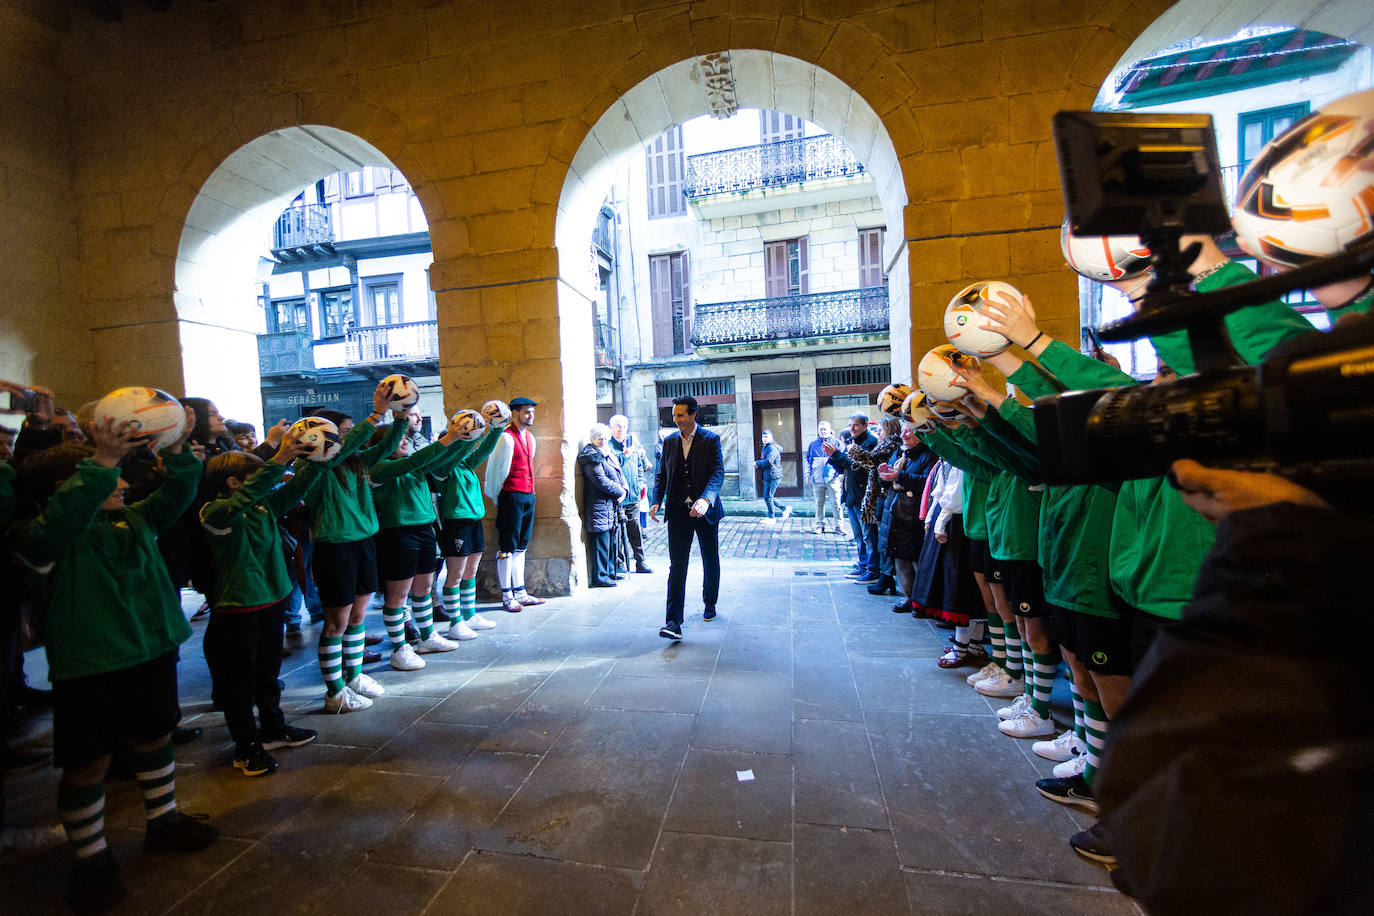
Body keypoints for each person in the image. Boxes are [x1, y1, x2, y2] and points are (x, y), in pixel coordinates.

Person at [8, 410, 219, 912]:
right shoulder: (38, 538)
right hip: (91, 662)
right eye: (109, 475)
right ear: (66, 486)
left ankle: (163, 819)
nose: (121, 481)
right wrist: (101, 458)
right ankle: (91, 856)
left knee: (155, 734)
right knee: (89, 761)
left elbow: (176, 495)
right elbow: (61, 520)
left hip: (150, 648)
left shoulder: (130, 517)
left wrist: (177, 448)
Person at [198, 430, 320, 778]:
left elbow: (297, 488)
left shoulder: (263, 504)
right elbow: (245, 499)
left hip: (270, 599)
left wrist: (319, 459)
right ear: (234, 482)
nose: (269, 480)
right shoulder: (215, 512)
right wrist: (278, 458)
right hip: (239, 606)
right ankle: (245, 746)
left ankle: (272, 728)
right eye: (256, 476)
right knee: (239, 681)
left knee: (268, 672)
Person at [300, 383, 409, 714]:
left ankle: (354, 676)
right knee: (337, 621)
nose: (346, 441)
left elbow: (386, 444)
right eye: (341, 434)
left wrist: (400, 417)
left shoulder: (354, 462)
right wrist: (376, 414)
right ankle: (334, 691)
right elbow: (348, 449)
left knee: (359, 615)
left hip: (363, 543)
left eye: (348, 434)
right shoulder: (316, 466)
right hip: (336, 549)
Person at [650, 395, 725, 640]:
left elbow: (717, 473)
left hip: (705, 510)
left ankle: (710, 602)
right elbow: (661, 474)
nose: (677, 420)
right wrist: (656, 500)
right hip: (678, 510)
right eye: (674, 416)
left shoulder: (710, 439)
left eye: (681, 415)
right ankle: (673, 621)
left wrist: (706, 499)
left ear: (693, 415)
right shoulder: (670, 442)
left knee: (709, 558)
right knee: (677, 564)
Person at [434, 419, 505, 640]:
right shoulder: (441, 467)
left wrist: (497, 427)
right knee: (455, 575)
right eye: (457, 443)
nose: (462, 447)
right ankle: (455, 623)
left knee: (470, 573)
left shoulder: (464, 464)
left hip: (473, 521)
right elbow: (460, 452)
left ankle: (469, 615)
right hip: (456, 523)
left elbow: (485, 449)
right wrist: (464, 438)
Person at [482, 395, 546, 613]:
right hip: (511, 495)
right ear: (515, 413)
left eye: (533, 412)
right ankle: (507, 594)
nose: (531, 415)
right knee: (507, 547)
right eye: (527, 411)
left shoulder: (530, 438)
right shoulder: (506, 438)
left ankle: (521, 591)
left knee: (522, 546)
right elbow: (495, 471)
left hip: (528, 495)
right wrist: (498, 497)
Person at [825, 412, 879, 582]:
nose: (852, 429)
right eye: (850, 425)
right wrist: (833, 457)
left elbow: (858, 467)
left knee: (868, 535)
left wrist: (836, 455)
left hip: (863, 496)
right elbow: (844, 468)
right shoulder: (852, 441)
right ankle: (863, 565)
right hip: (851, 494)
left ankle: (872, 569)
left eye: (855, 425)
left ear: (865, 425)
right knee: (858, 535)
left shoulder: (870, 443)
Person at [578, 424, 627, 588]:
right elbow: (600, 480)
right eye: (600, 439)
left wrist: (624, 489)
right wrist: (620, 491)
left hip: (610, 505)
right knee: (601, 542)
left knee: (611, 541)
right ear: (593, 439)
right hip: (599, 505)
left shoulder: (607, 453)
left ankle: (611, 572)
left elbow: (619, 472)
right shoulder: (592, 457)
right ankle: (601, 576)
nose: (603, 442)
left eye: (605, 438)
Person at [607, 414, 652, 574]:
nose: (621, 430)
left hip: (633, 496)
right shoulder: (608, 447)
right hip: (618, 498)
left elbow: (640, 466)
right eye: (618, 426)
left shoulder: (633, 445)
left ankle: (641, 562)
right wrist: (623, 456)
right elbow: (610, 467)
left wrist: (639, 484)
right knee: (618, 534)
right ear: (611, 428)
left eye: (624, 426)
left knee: (635, 531)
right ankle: (619, 564)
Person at [805, 421, 842, 533]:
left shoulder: (836, 443)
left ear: (829, 430)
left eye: (825, 429)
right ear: (818, 431)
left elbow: (843, 459)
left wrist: (841, 475)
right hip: (818, 479)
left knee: (836, 503)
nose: (823, 431)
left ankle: (838, 526)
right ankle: (819, 525)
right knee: (819, 504)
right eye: (821, 429)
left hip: (833, 478)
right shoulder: (812, 445)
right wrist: (808, 475)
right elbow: (808, 460)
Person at [754, 428, 786, 524]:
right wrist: (758, 464)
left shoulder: (772, 448)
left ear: (771, 437)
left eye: (766, 436)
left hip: (774, 475)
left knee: (769, 497)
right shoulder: (765, 447)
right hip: (768, 475)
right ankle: (784, 508)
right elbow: (765, 462)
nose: (764, 438)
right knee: (767, 496)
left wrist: (757, 463)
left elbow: (768, 462)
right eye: (763, 437)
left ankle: (771, 517)